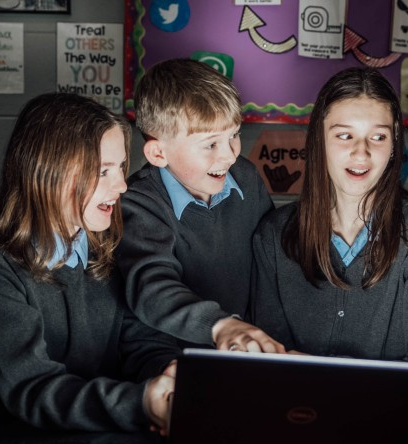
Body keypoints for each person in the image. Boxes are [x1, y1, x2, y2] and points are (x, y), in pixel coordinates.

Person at [0, 92, 179, 444]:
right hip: (13, 439)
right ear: (51, 172)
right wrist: (140, 403)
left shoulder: (102, 246)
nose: (122, 186)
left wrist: (168, 377)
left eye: (120, 168)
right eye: (103, 171)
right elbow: (30, 388)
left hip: (91, 425)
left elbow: (136, 339)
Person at [251, 67, 408, 444]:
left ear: (395, 143)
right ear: (318, 140)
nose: (361, 153)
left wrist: (356, 409)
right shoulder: (273, 236)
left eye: (377, 137)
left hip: (402, 433)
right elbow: (268, 359)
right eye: (344, 135)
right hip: (301, 429)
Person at [116, 58, 283, 354]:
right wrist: (220, 326)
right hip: (174, 361)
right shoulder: (139, 204)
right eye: (210, 145)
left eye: (233, 136)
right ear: (158, 153)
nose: (229, 156)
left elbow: (275, 258)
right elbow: (151, 287)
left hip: (250, 350)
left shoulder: (244, 176)